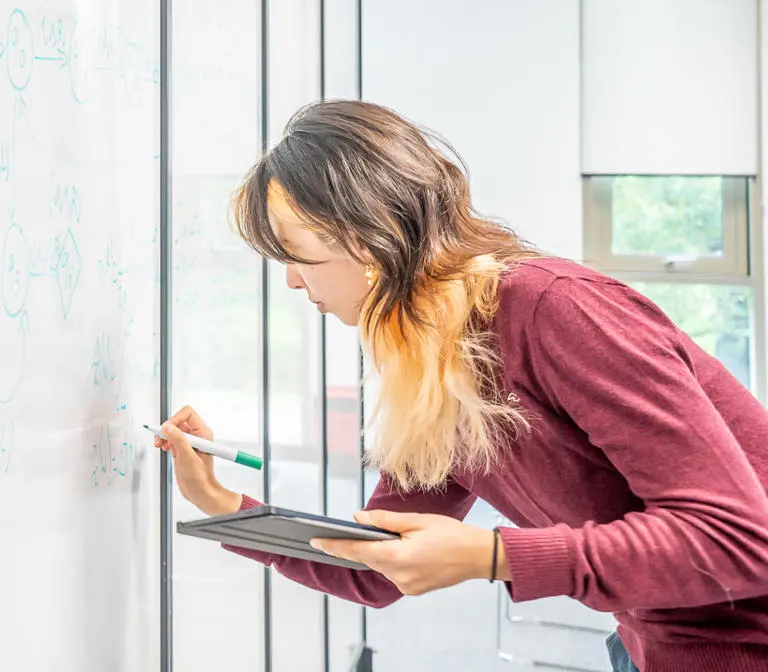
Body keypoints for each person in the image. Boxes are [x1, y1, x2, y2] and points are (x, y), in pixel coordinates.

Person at [156, 100, 768, 672]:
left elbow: (738, 540)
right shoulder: (430, 361)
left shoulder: (553, 309)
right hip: (649, 643)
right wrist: (225, 509)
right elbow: (377, 567)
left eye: (296, 254)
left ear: (368, 237)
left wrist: (491, 555)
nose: (291, 281)